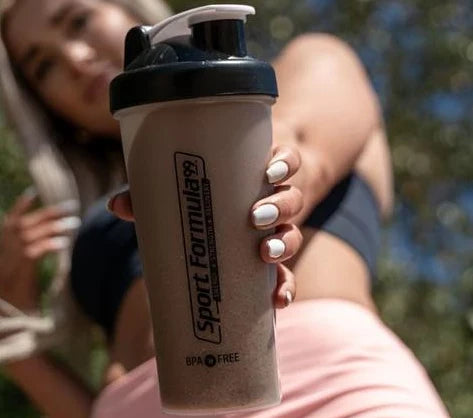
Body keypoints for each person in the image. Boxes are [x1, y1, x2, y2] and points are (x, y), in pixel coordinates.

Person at [0, 0, 449, 417]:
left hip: (328, 392)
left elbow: (304, 145)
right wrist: (11, 321)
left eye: (77, 21)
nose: (74, 60)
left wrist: (273, 177)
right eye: (43, 66)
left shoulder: (294, 75)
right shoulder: (96, 215)